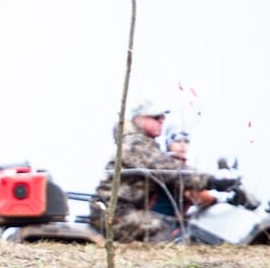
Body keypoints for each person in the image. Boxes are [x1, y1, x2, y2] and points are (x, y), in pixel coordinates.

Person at [89, 101, 236, 242]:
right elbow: (169, 171)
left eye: (163, 117)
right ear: (139, 119)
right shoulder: (136, 144)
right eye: (156, 118)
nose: (161, 121)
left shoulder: (143, 143)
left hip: (121, 210)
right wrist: (213, 181)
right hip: (115, 214)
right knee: (168, 229)